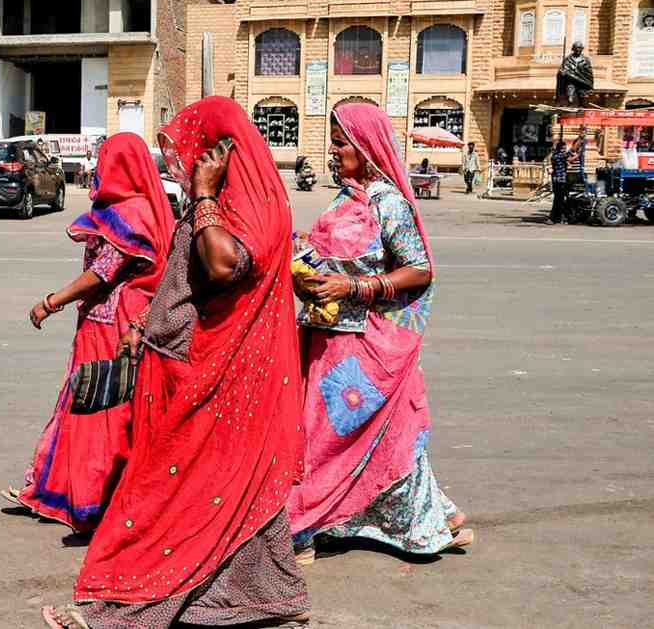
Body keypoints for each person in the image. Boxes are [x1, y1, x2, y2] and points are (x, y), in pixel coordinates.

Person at [43, 97, 309, 629]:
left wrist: (204, 196)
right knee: (231, 486)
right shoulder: (234, 202)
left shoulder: (244, 206)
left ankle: (127, 612)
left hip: (218, 373)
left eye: (183, 150)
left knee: (174, 491)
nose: (175, 163)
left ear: (219, 152)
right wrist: (143, 326)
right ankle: (266, 597)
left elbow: (224, 264)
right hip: (201, 365)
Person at [288, 102, 472, 567]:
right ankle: (429, 515)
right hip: (324, 333)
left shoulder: (389, 203)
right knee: (337, 437)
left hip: (362, 346)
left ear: (366, 147)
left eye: (339, 143)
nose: (332, 152)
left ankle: (306, 525)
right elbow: (338, 250)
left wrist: (357, 286)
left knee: (336, 438)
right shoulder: (346, 197)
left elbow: (419, 269)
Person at [7, 133, 172, 532]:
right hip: (111, 319)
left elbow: (103, 272)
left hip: (113, 323)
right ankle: (66, 488)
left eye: (105, 159)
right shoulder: (136, 208)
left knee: (101, 406)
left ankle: (92, 497)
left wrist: (52, 301)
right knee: (95, 400)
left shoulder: (131, 213)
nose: (100, 166)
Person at [548, 137, 568, 224]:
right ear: (560, 148)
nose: (564, 150)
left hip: (556, 179)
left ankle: (558, 217)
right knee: (558, 199)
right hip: (560, 180)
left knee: (559, 199)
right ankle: (553, 218)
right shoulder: (559, 155)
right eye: (563, 148)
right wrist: (578, 154)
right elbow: (569, 155)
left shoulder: (554, 155)